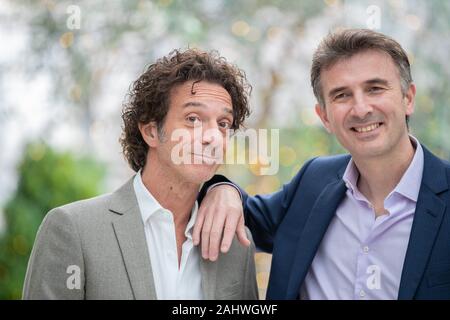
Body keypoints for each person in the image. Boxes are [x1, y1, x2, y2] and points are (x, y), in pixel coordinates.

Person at [194, 29, 450, 299]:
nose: (361, 109)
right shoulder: (314, 180)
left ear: (408, 98)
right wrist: (222, 188)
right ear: (324, 116)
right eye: (342, 95)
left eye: (374, 88)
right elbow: (248, 220)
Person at [23, 49, 258, 300]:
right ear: (150, 131)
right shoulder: (74, 229)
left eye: (223, 124)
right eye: (193, 119)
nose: (212, 137)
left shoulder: (236, 244)